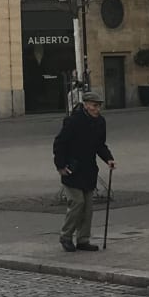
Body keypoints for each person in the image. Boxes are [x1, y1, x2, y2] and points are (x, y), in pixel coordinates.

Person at [52, 88, 115, 253]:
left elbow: (100, 145)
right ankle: (66, 236)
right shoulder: (73, 121)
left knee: (88, 207)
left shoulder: (100, 122)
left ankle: (83, 239)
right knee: (77, 202)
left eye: (99, 106)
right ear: (86, 105)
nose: (97, 109)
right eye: (94, 105)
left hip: (89, 169)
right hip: (72, 169)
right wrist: (60, 165)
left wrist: (108, 158)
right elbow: (59, 143)